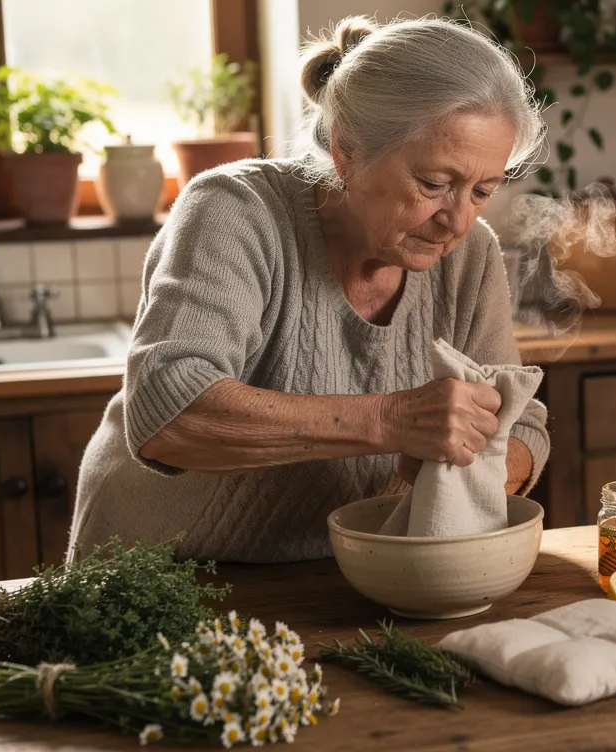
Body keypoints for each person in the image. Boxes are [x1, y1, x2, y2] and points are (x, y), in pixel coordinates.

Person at [70, 16, 549, 563]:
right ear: (348, 150)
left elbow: (522, 421)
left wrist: (471, 466)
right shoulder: (235, 212)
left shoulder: (471, 255)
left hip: (346, 578)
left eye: (483, 190)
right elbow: (170, 411)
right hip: (160, 575)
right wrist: (392, 421)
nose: (458, 221)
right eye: (434, 184)